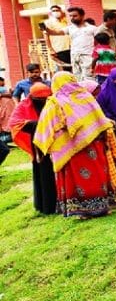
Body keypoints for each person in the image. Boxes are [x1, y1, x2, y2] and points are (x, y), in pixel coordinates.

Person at [33, 72, 116, 219]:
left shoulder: (54, 104)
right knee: (97, 175)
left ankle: (83, 211)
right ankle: (102, 207)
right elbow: (100, 121)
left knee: (78, 179)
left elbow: (44, 130)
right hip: (93, 145)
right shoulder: (85, 97)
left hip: (71, 150)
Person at [8, 83, 57, 213]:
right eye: (40, 100)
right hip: (38, 146)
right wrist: (37, 124)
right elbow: (14, 123)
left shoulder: (53, 102)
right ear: (32, 97)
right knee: (44, 174)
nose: (43, 102)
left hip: (55, 142)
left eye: (46, 99)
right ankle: (46, 206)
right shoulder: (24, 105)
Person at [43, 7, 98, 81]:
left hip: (87, 56)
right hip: (74, 56)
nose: (72, 18)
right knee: (77, 77)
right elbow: (57, 32)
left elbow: (97, 43)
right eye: (70, 16)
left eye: (75, 16)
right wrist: (47, 29)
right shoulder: (70, 28)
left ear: (82, 16)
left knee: (89, 77)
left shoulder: (92, 28)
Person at [43, 5, 72, 71]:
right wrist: (50, 49)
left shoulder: (65, 21)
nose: (56, 12)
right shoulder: (48, 22)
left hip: (69, 48)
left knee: (72, 67)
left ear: (61, 11)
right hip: (58, 49)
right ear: (51, 13)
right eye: (53, 11)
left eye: (57, 10)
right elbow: (46, 36)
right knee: (65, 69)